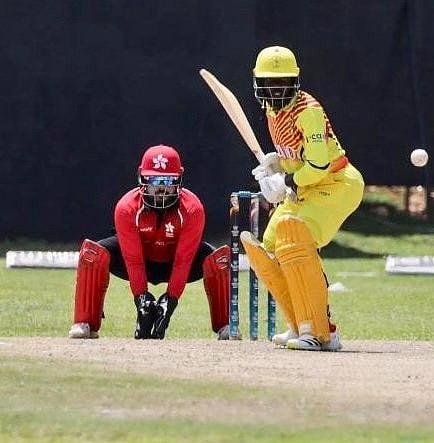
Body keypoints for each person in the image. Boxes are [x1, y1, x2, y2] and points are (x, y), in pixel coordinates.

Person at [240, 45, 365, 351]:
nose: (277, 89)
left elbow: (320, 165)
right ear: (260, 84)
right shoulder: (272, 111)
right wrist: (276, 163)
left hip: (337, 183)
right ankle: (299, 324)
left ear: (294, 82)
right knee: (267, 248)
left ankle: (320, 331)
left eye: (283, 82)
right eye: (271, 83)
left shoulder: (307, 111)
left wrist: (285, 182)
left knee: (293, 238)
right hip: (306, 186)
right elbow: (297, 157)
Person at [68, 144, 231, 340]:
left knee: (219, 259)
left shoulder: (193, 208)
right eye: (154, 180)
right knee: (92, 253)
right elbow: (134, 260)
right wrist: (141, 300)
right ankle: (85, 323)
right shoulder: (126, 207)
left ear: (179, 178)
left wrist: (170, 301)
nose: (161, 188)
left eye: (168, 181)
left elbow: (183, 261)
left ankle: (226, 326)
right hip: (140, 261)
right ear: (141, 177)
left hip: (176, 263)